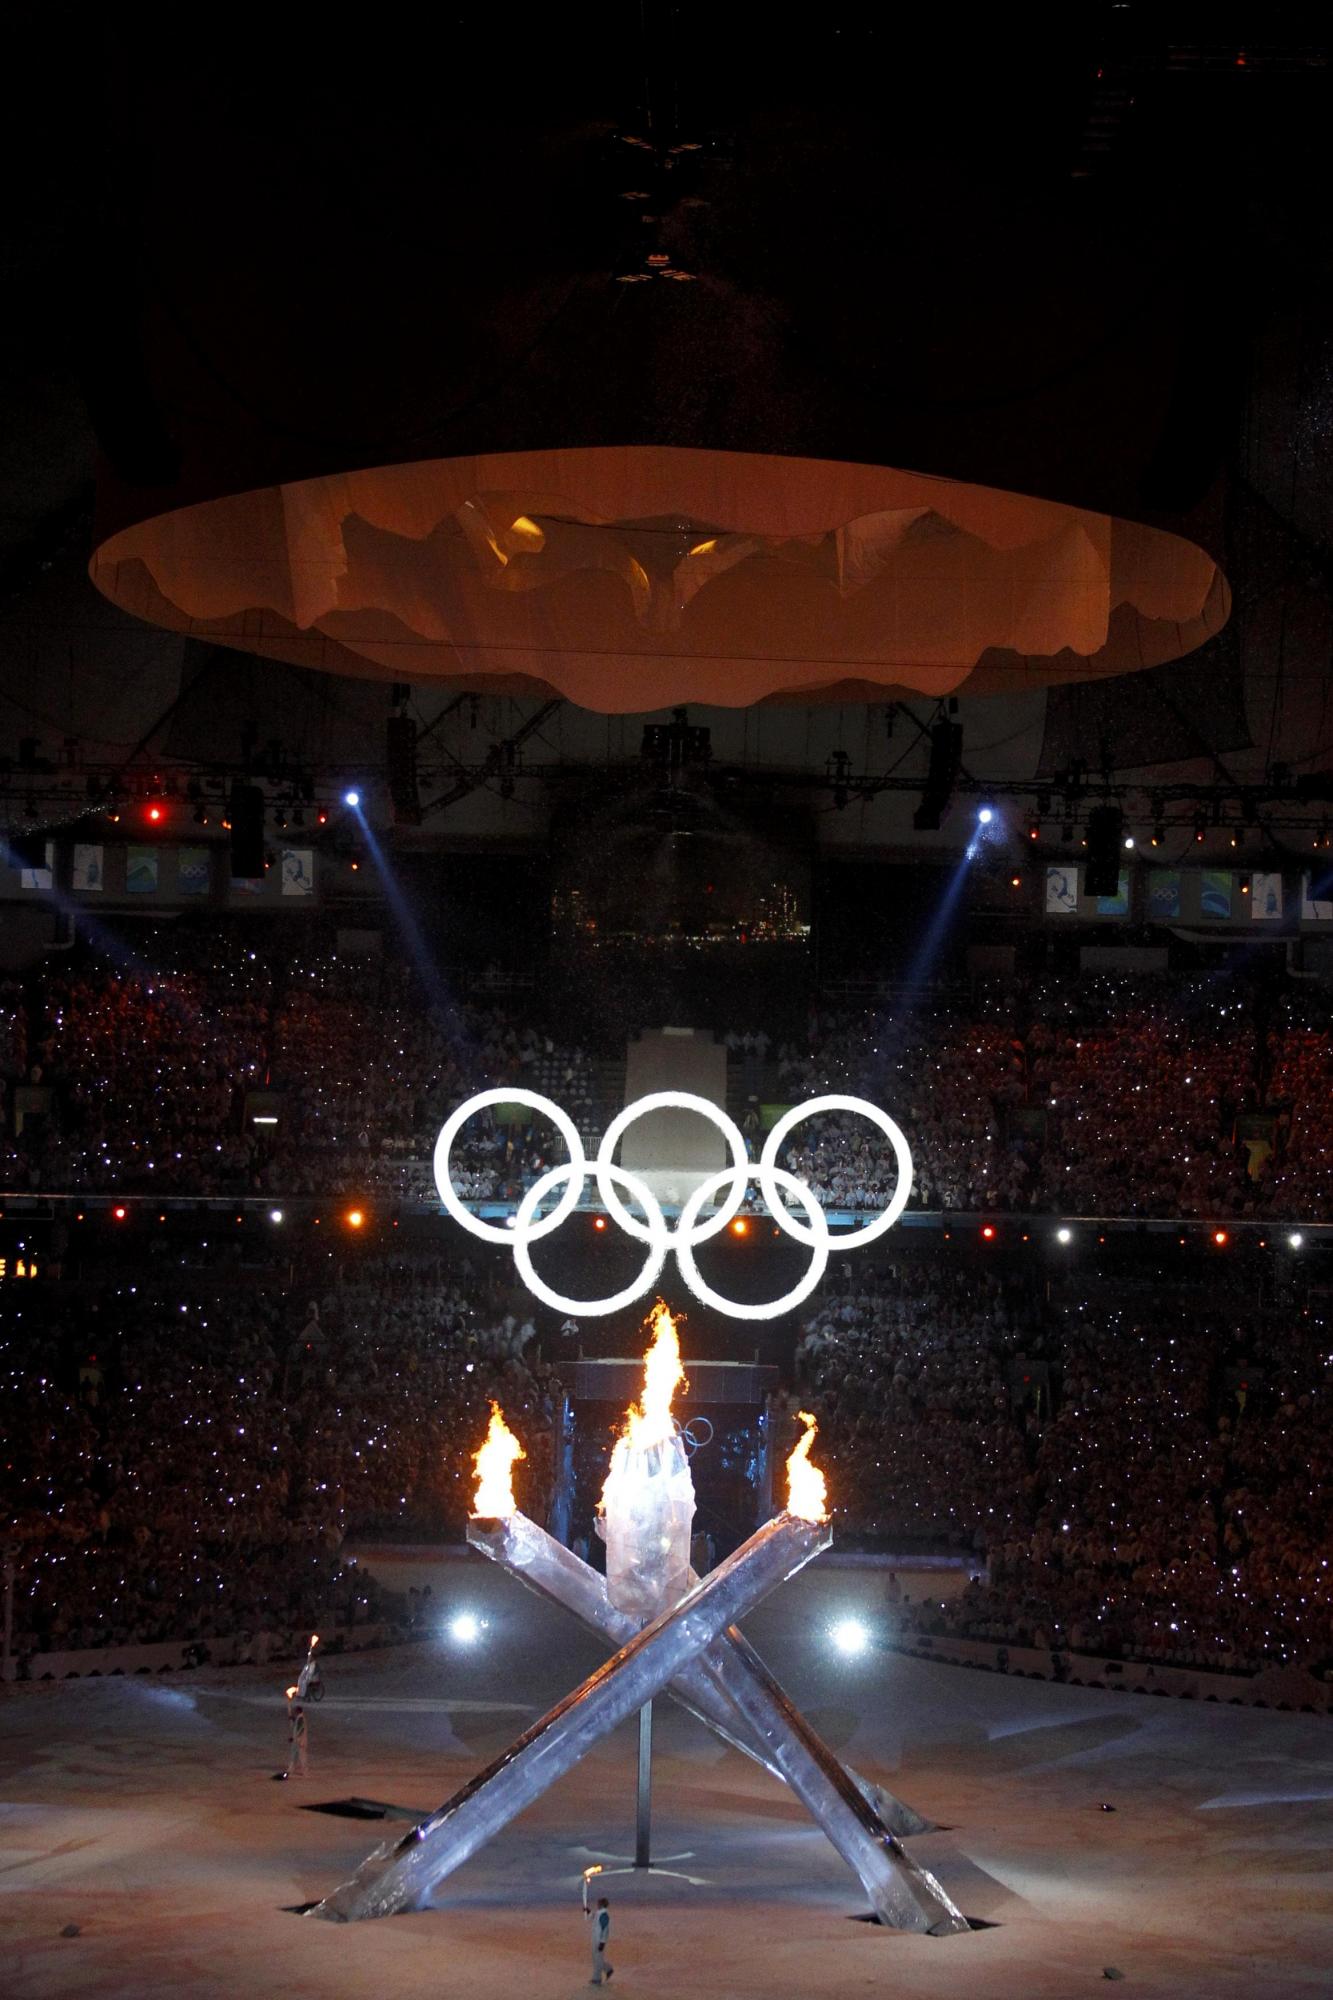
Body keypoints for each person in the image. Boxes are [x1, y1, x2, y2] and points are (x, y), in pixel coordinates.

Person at [590, 1895, 613, 1985]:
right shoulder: (599, 1913)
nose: (597, 1905)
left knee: (598, 1959)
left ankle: (597, 1978)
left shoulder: (604, 1915)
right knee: (596, 1958)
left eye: (598, 1903)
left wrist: (602, 1942)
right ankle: (608, 1969)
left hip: (599, 1940)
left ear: (602, 1904)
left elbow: (605, 1930)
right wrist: (587, 1911)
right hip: (595, 1938)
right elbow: (592, 1917)